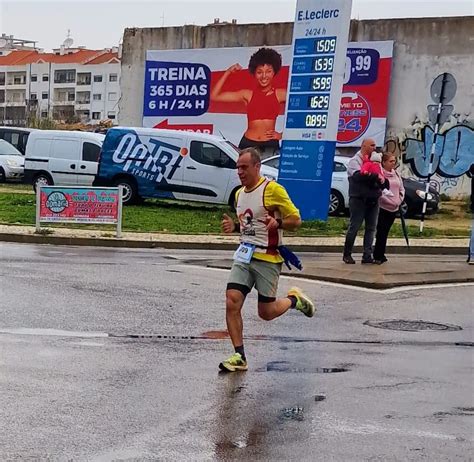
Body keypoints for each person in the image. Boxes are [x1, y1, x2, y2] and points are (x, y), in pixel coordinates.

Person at [219, 147, 315, 372]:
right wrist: (234, 227)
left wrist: (279, 223)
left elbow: (296, 220)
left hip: (268, 258)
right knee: (232, 300)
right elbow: (248, 223)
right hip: (244, 255)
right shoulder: (239, 194)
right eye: (238, 168)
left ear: (256, 166)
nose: (240, 172)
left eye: (244, 167)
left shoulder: (273, 190)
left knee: (266, 312)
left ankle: (294, 300)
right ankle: (239, 356)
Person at [210, 47, 286, 154]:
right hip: (248, 144)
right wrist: (228, 72)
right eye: (259, 72)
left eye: (268, 71)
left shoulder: (281, 94)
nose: (264, 76)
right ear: (254, 73)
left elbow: (301, 111)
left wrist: (282, 135)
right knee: (244, 170)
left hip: (270, 144)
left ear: (274, 72)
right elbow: (215, 96)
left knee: (269, 171)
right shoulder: (247, 94)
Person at [343, 138, 389, 264]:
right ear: (364, 146)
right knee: (355, 226)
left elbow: (380, 177)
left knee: (371, 228)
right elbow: (358, 177)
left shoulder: (375, 162)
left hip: (373, 199)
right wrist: (374, 177)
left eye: (375, 145)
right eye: (372, 145)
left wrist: (382, 181)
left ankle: (367, 255)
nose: (374, 147)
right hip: (359, 199)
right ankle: (347, 254)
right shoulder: (355, 161)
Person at [373, 153, 405, 264]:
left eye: (394, 161)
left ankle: (382, 253)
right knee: (381, 231)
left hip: (394, 207)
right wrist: (389, 201)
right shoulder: (380, 174)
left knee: (386, 232)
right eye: (391, 161)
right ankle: (377, 255)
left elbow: (401, 188)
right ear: (384, 162)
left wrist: (399, 201)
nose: (393, 163)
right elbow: (380, 191)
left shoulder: (396, 173)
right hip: (383, 207)